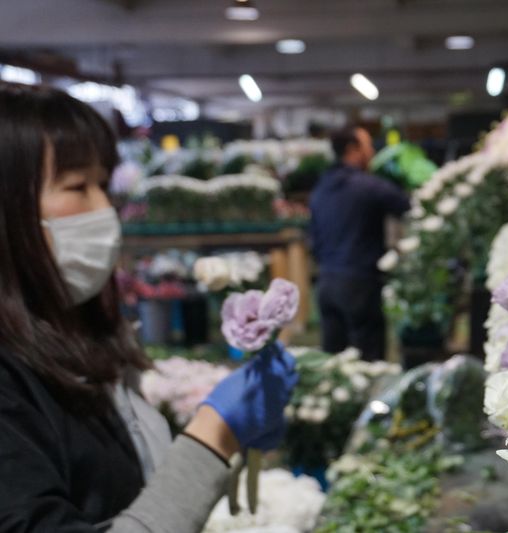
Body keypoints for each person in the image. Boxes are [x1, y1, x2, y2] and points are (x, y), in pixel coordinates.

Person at [0, 83, 297, 532]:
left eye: (104, 184)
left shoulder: (69, 336)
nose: (104, 209)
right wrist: (213, 436)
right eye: (77, 186)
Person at [310, 126, 410, 361]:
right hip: (360, 285)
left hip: (326, 284)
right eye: (368, 146)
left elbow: (313, 239)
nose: (372, 152)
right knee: (368, 362)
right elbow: (406, 206)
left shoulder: (321, 188)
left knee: (333, 364)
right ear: (352, 149)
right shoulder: (368, 186)